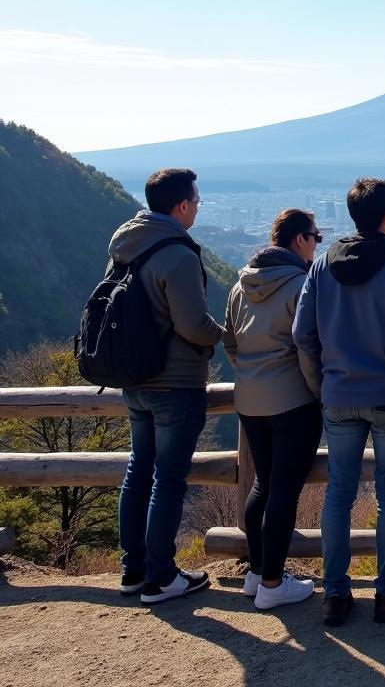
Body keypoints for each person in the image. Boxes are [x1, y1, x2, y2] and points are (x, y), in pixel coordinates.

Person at [292, 178, 385, 626]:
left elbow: (301, 334)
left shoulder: (321, 266)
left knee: (339, 493)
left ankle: (335, 593)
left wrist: (321, 385)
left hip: (338, 395)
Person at [111, 168, 224, 604]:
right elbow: (194, 326)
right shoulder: (177, 255)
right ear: (182, 205)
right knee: (168, 479)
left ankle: (133, 570)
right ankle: (162, 577)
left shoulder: (127, 243)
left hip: (133, 378)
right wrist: (225, 333)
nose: (196, 207)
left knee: (138, 471)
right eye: (195, 201)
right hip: (175, 383)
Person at [223, 208, 324, 610]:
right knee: (284, 491)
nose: (317, 243)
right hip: (293, 401)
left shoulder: (239, 285)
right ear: (299, 239)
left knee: (263, 485)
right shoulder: (301, 285)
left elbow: (229, 342)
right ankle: (272, 583)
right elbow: (308, 347)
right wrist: (317, 390)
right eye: (315, 236)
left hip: (249, 401)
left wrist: (250, 374)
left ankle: (256, 572)